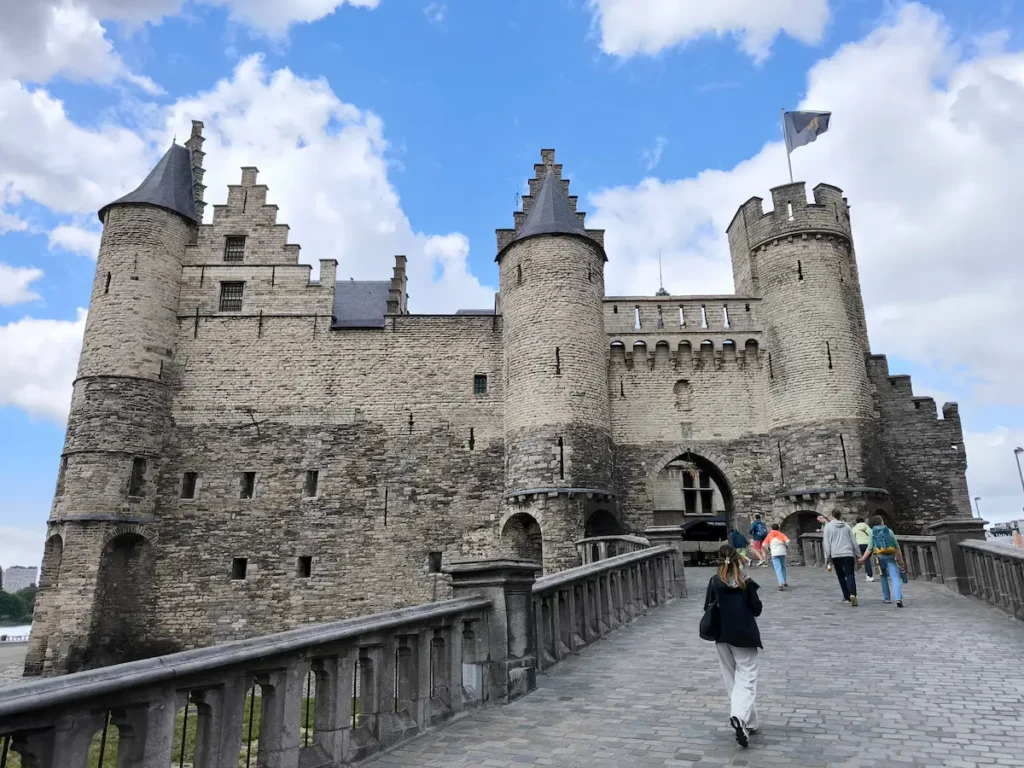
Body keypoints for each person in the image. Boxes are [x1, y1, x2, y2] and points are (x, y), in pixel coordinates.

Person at [704, 544, 763, 748]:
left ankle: (749, 722)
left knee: (732, 681)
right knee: (746, 678)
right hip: (744, 635)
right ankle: (739, 716)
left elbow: (707, 607)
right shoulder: (746, 582)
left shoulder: (714, 582)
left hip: (722, 635)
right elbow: (757, 609)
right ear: (738, 559)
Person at [857, 515, 906, 607]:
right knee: (895, 577)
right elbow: (897, 547)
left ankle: (887, 598)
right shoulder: (889, 531)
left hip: (880, 557)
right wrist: (901, 560)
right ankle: (898, 598)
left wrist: (863, 559)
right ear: (881, 521)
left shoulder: (872, 532)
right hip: (890, 555)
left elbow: (870, 548)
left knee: (883, 577)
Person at [821, 509, 860, 606]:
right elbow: (853, 542)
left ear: (832, 515)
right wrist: (859, 555)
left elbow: (827, 543)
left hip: (836, 554)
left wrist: (827, 557)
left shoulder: (828, 527)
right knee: (850, 574)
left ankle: (846, 596)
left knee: (841, 576)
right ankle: (852, 594)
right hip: (848, 553)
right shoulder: (847, 526)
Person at [762, 523, 789, 589]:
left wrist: (768, 549)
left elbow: (763, 544)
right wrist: (786, 546)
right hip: (782, 552)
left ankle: (781, 583)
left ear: (772, 528)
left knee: (778, 568)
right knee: (783, 566)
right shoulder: (781, 534)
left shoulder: (769, 535)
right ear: (778, 528)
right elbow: (788, 541)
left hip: (774, 553)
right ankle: (784, 581)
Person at [852, 517, 874, 581]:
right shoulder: (867, 528)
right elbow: (872, 535)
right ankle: (869, 575)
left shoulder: (854, 529)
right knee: (867, 559)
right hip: (868, 545)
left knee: (861, 559)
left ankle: (867, 574)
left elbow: (853, 538)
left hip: (859, 545)